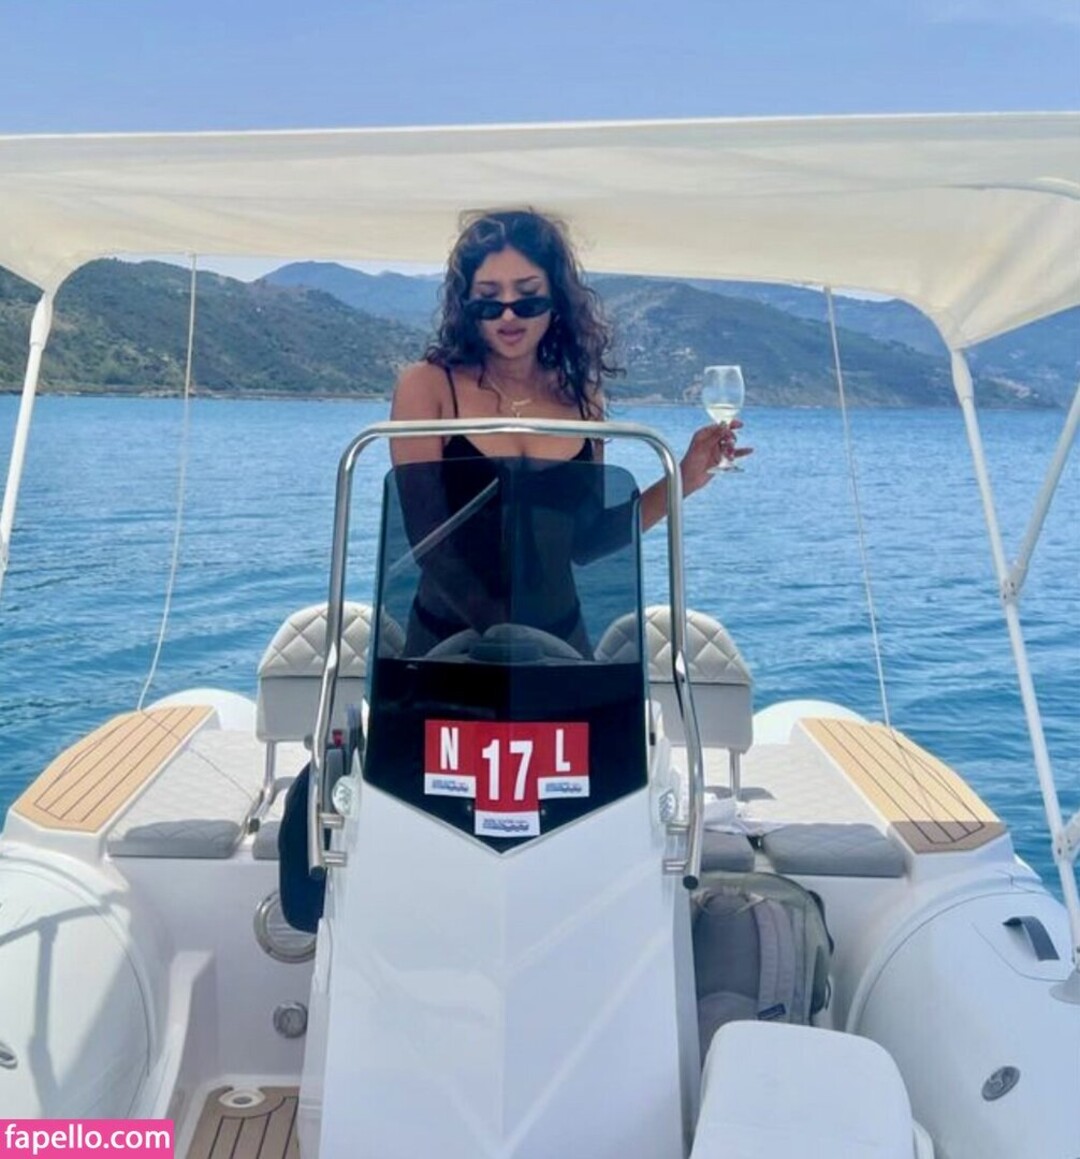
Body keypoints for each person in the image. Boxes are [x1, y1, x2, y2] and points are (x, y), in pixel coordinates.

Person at [389, 208, 750, 655]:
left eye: (527, 296)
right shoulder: (428, 387)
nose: (508, 314)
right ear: (466, 303)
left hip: (560, 643)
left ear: (555, 299)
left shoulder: (581, 397)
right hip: (449, 647)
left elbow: (589, 540)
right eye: (488, 297)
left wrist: (685, 478)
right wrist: (504, 633)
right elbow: (428, 540)